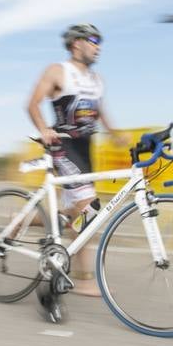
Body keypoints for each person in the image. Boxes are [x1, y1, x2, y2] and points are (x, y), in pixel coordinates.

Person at [26, 23, 128, 298]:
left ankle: (22, 221)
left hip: (86, 152)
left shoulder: (97, 80)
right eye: (94, 40)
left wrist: (117, 135)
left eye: (100, 41)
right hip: (63, 148)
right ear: (77, 43)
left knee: (77, 216)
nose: (99, 46)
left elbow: (99, 112)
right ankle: (84, 278)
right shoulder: (57, 71)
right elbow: (32, 103)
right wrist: (44, 129)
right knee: (90, 210)